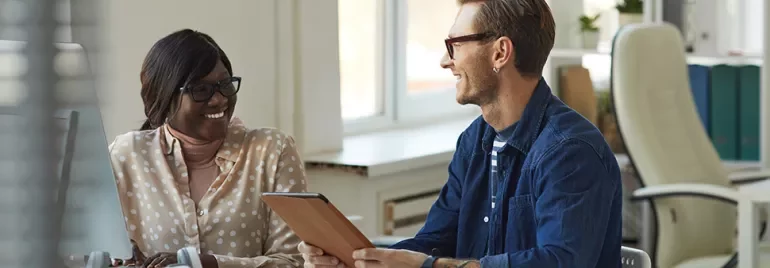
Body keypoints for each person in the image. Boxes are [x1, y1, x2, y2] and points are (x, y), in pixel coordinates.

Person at [299, 0, 622, 267]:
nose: (445, 61)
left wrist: (430, 267)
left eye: (454, 45)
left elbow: (558, 262)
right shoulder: (475, 141)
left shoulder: (570, 151)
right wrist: (358, 258)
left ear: (500, 53)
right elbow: (435, 240)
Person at [109, 29, 306, 268]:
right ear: (163, 96)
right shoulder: (127, 155)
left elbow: (293, 262)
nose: (219, 99)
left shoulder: (272, 151)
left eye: (225, 84)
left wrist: (208, 264)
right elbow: (98, 251)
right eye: (200, 90)